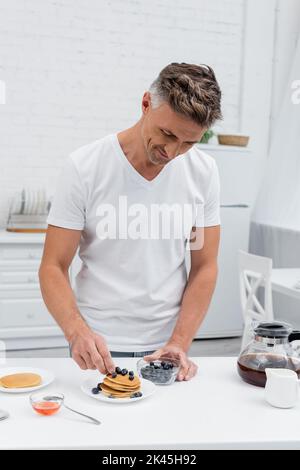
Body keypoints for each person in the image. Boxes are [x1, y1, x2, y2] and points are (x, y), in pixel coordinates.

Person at [39, 62, 222, 382]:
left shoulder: (203, 173)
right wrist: (76, 332)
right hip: (96, 346)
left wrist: (179, 342)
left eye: (189, 142)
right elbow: (53, 265)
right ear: (146, 104)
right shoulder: (85, 167)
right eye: (167, 133)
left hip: (167, 346)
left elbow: (204, 266)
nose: (173, 151)